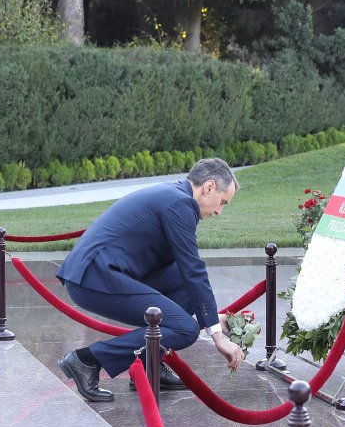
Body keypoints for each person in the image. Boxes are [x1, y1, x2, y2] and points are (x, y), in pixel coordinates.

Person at [56, 157, 245, 402]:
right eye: (223, 202)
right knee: (185, 330)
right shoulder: (180, 203)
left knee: (185, 287)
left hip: (105, 273)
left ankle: (149, 364)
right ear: (209, 187)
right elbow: (193, 268)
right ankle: (87, 360)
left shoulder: (175, 195)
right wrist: (217, 335)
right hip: (93, 278)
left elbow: (186, 273)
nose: (219, 211)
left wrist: (211, 318)